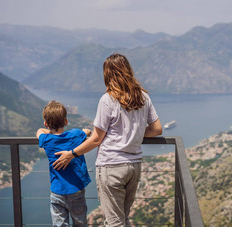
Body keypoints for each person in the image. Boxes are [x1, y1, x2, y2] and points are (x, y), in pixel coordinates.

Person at [53, 53, 162, 226]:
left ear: (107, 74)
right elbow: (156, 129)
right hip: (133, 167)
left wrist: (71, 154)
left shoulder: (108, 100)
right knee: (123, 219)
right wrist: (135, 133)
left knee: (114, 222)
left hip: (111, 167)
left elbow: (96, 139)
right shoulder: (143, 96)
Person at [36, 100, 91, 227]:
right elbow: (87, 132)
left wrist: (47, 130)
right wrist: (86, 132)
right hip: (76, 189)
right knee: (80, 222)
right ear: (65, 121)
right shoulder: (75, 134)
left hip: (57, 191)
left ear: (46, 123)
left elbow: (39, 131)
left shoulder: (46, 139)